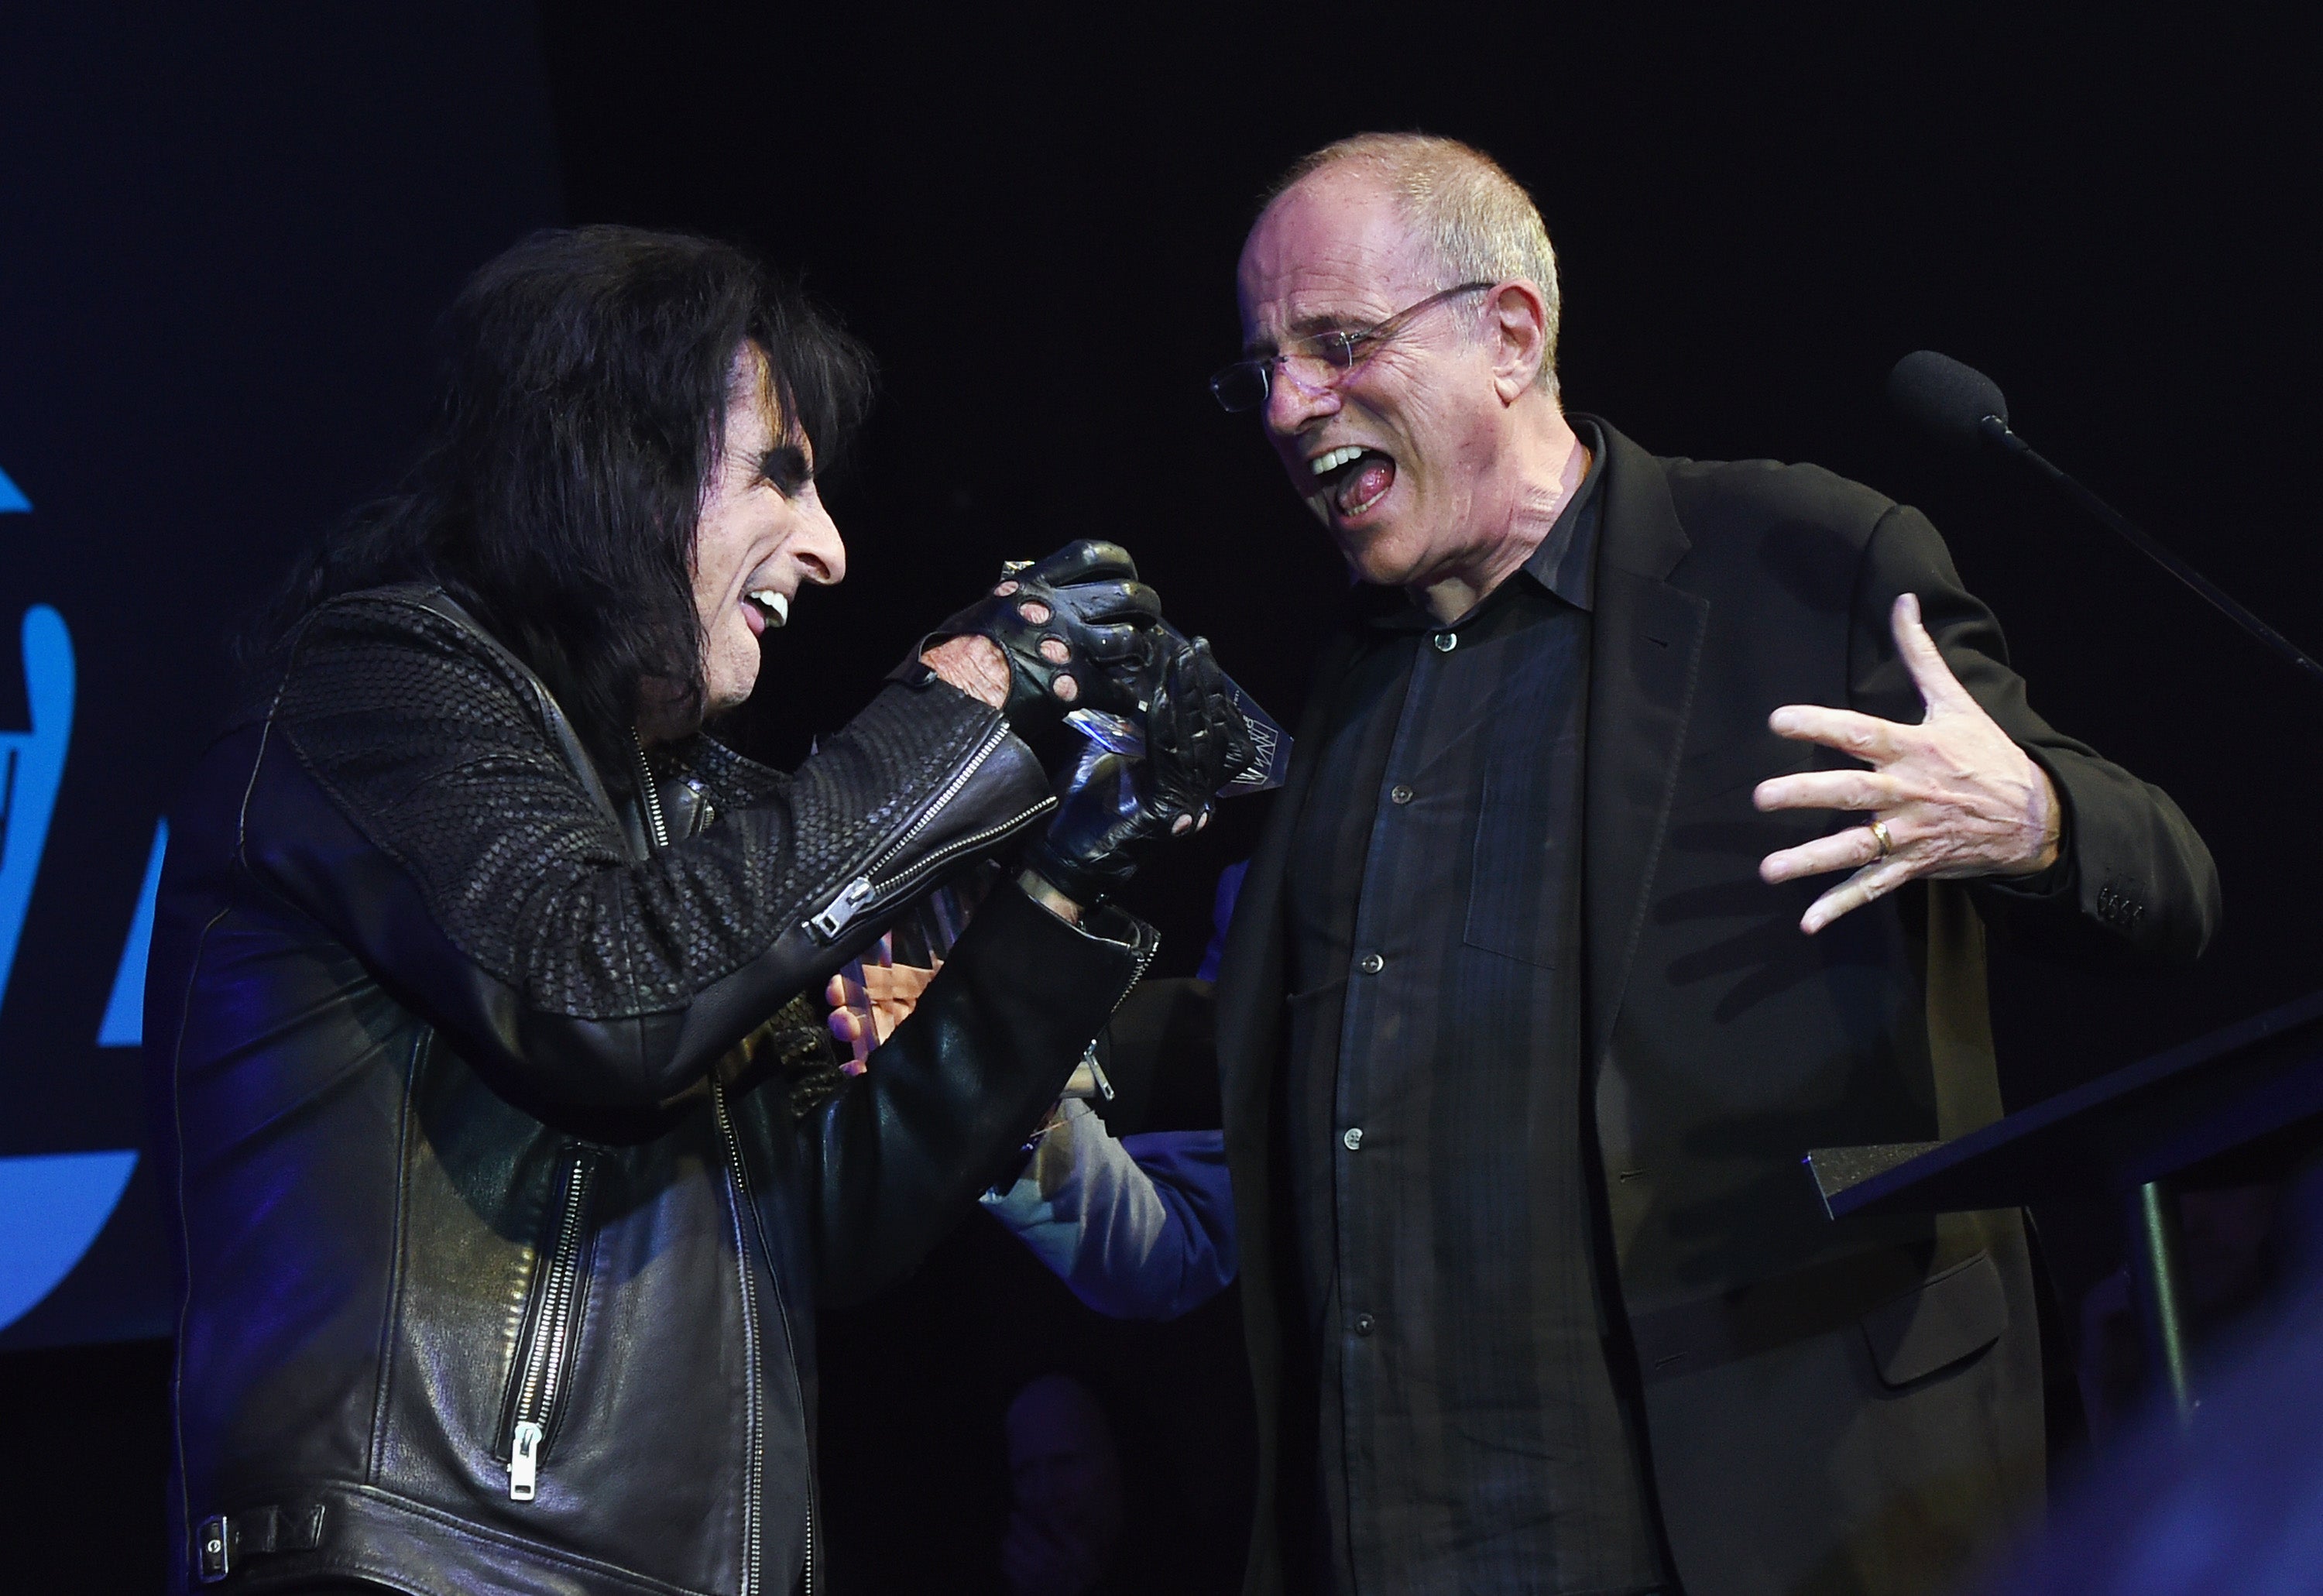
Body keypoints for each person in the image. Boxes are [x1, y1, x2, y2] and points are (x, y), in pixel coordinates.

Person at [145, 225, 1251, 1596]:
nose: (830, 548)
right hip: (432, 1570)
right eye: (779, 474)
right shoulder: (382, 680)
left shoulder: (675, 806)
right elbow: (606, 995)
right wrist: (957, 705)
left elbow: (837, 1217)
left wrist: (1063, 879)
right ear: (618, 462)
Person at [1206, 135, 2221, 1596]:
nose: (1290, 405)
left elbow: (2173, 887)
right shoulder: (1351, 686)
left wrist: (2036, 821)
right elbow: (1297, 1037)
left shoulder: (1796, 558)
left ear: (1511, 335)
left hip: (1783, 1502)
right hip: (1405, 1525)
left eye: (1338, 344)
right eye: (1264, 368)